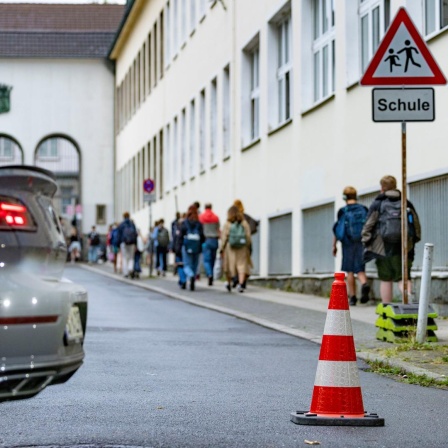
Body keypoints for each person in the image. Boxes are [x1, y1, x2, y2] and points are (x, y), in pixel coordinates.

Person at [362, 175, 421, 303]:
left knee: (385, 279)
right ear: (395, 186)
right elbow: (416, 226)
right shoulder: (405, 202)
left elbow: (368, 225)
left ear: (382, 188)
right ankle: (410, 301)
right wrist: (412, 243)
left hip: (382, 248)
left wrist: (367, 242)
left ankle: (386, 309)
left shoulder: (378, 203)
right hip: (403, 248)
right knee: (403, 278)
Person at [332, 186, 370, 306]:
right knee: (360, 268)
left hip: (347, 243)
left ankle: (352, 297)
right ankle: (364, 283)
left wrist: (334, 245)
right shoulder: (363, 209)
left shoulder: (343, 211)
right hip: (361, 242)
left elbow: (338, 229)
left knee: (349, 270)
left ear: (344, 197)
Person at [220, 205, 252, 293]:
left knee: (229, 266)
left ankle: (229, 283)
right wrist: (248, 245)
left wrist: (221, 248)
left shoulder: (227, 223)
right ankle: (241, 284)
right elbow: (248, 236)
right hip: (242, 247)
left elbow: (224, 237)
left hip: (230, 247)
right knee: (241, 265)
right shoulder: (244, 223)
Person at [232, 199, 257, 289]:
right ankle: (242, 282)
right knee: (244, 263)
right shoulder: (246, 218)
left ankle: (236, 279)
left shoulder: (232, 218)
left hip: (234, 244)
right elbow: (252, 228)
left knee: (235, 263)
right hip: (245, 244)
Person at [180, 205, 205, 291]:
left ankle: (190, 276)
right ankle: (193, 278)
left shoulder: (185, 223)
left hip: (186, 246)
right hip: (197, 247)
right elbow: (202, 237)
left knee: (187, 264)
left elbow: (180, 235)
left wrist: (178, 246)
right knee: (195, 264)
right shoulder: (199, 223)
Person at [199, 203, 220, 286]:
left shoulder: (201, 217)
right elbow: (218, 228)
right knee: (213, 259)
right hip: (214, 240)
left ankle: (209, 274)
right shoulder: (216, 217)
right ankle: (211, 273)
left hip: (206, 240)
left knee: (206, 260)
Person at [117, 211, 138, 278]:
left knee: (124, 257)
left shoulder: (121, 224)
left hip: (123, 242)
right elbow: (135, 234)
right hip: (132, 243)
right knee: (131, 257)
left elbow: (119, 235)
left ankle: (125, 272)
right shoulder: (132, 224)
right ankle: (130, 268)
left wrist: (118, 244)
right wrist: (135, 244)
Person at [172, 213, 187, 289]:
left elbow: (174, 240)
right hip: (186, 249)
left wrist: (172, 248)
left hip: (178, 249)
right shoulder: (187, 228)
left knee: (180, 265)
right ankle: (183, 279)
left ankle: (182, 280)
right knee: (184, 264)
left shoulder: (177, 229)